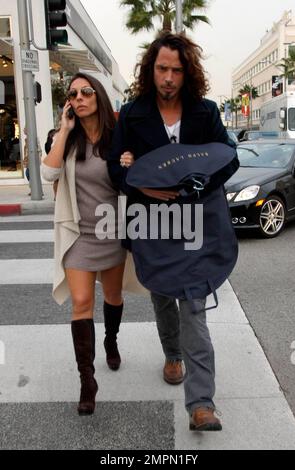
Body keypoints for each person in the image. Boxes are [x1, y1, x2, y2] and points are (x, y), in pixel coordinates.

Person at [108, 32, 236, 431]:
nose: (168, 77)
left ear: (187, 73)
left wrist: (198, 183)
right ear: (151, 69)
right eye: (162, 68)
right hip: (152, 223)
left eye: (176, 70)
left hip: (196, 223)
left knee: (194, 306)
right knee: (163, 296)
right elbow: (115, 167)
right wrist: (138, 182)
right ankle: (172, 354)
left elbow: (227, 159)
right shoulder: (132, 113)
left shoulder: (205, 112)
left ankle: (201, 404)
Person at [41, 72, 126, 416]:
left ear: (98, 96)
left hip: (112, 232)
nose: (79, 97)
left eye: (86, 91)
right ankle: (87, 381)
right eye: (73, 93)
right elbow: (48, 174)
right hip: (78, 236)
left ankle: (110, 339)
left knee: (114, 297)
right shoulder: (66, 139)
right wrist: (63, 129)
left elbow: (130, 178)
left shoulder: (117, 137)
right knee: (80, 301)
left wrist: (129, 163)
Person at [23, 127, 42, 195]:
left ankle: (36, 190)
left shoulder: (34, 138)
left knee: (31, 174)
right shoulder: (26, 139)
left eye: (25, 129)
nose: (23, 131)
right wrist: (25, 157)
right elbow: (26, 150)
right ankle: (35, 189)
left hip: (33, 159)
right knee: (29, 174)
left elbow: (39, 148)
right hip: (28, 159)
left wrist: (37, 156)